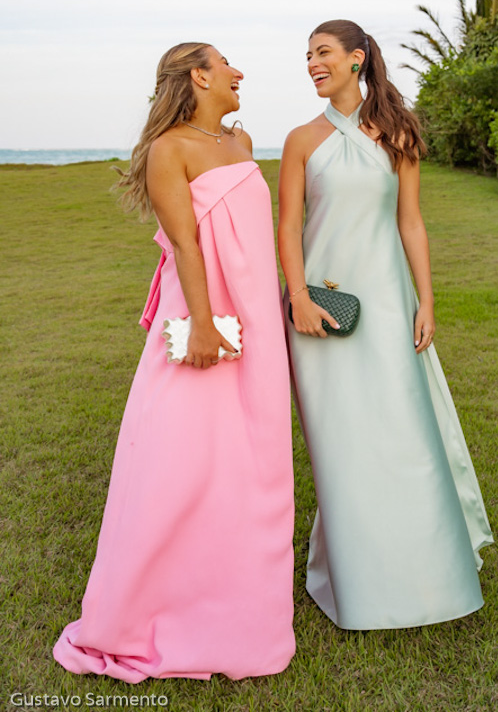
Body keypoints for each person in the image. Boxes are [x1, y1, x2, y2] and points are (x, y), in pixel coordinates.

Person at [54, 42, 295, 681]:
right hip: (202, 323)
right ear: (199, 76)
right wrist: (204, 327)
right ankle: (148, 608)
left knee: (253, 466)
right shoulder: (170, 149)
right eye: (227, 63)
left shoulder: (242, 143)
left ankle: (243, 613)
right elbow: (186, 245)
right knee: (176, 462)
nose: (239, 72)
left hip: (257, 327)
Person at [278, 20, 493, 630]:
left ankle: (429, 573)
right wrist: (298, 297)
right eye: (308, 55)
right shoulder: (300, 140)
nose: (312, 64)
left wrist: (427, 300)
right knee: (341, 442)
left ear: (356, 59)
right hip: (319, 311)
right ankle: (357, 583)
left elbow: (411, 222)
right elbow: (287, 225)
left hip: (389, 303)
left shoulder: (398, 132)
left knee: (404, 433)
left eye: (322, 53)